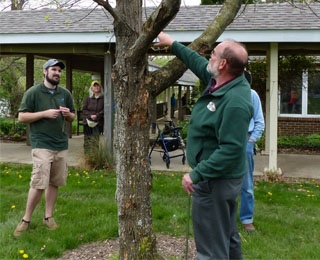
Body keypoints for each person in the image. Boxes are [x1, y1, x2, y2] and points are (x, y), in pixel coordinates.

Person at [154, 32, 253, 259]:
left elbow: (231, 150)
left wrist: (196, 175)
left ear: (223, 63)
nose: (209, 56)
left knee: (210, 248)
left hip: (215, 181)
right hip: (221, 180)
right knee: (226, 237)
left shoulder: (235, 102)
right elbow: (197, 61)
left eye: (214, 54)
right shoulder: (219, 80)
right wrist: (173, 44)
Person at [13, 59, 75, 237]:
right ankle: (26, 219)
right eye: (54, 70)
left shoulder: (65, 93)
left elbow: (72, 117)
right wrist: (45, 114)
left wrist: (68, 114)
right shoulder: (33, 92)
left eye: (59, 71)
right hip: (42, 144)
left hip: (61, 144)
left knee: (54, 182)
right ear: (45, 72)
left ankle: (48, 217)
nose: (57, 73)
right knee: (39, 182)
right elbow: (22, 117)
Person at [240, 73, 265, 232]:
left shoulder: (252, 95)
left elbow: (259, 121)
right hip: (227, 141)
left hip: (246, 140)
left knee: (246, 183)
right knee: (224, 181)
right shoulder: (224, 93)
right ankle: (224, 217)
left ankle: (247, 218)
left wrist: (251, 140)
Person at [82, 80, 104, 150]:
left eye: (98, 85)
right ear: (91, 88)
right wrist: (90, 115)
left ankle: (95, 157)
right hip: (88, 122)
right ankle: (87, 158)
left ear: (100, 87)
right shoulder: (88, 98)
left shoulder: (103, 99)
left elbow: (105, 110)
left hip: (98, 122)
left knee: (95, 141)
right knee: (87, 141)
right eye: (94, 86)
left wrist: (97, 115)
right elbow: (84, 109)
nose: (96, 87)